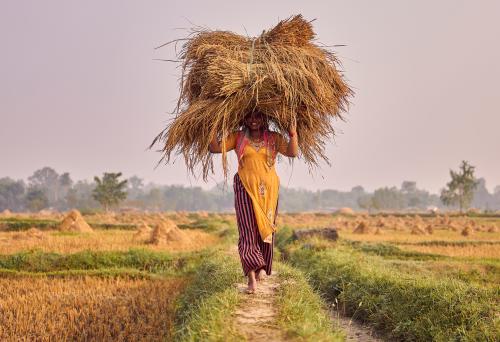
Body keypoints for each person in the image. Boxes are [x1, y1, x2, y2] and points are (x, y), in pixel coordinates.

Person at [209, 111, 298, 293]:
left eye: (258, 117)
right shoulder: (238, 137)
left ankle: (262, 268)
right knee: (247, 231)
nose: (253, 121)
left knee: (265, 230)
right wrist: (212, 127)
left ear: (265, 119)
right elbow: (214, 148)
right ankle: (252, 279)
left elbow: (292, 152)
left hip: (269, 192)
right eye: (249, 117)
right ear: (244, 119)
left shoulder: (274, 138)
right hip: (245, 188)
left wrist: (293, 134)